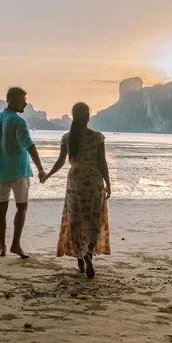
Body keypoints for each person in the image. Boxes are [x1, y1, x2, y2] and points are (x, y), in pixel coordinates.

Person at [41, 102, 111, 278]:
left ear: (73, 117)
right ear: (88, 117)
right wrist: (108, 184)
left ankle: (80, 258)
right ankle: (88, 254)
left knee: (75, 221)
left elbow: (60, 162)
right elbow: (102, 163)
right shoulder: (97, 137)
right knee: (94, 220)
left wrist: (47, 175)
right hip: (94, 181)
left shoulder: (67, 138)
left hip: (76, 181)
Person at [0, 87, 46, 258]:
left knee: (1, 209)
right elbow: (30, 146)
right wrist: (41, 169)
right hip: (18, 171)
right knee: (22, 207)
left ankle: (2, 247)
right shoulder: (18, 122)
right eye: (23, 100)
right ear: (12, 100)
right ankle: (15, 245)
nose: (26, 103)